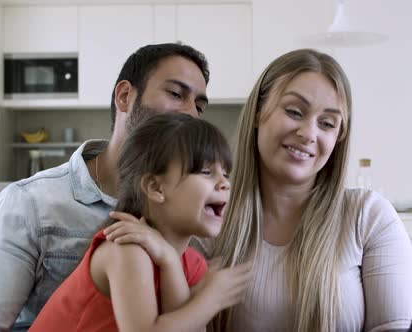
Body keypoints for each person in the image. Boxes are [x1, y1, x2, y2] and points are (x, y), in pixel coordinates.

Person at [0, 43, 211, 331]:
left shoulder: (196, 211)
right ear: (124, 96)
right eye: (175, 94)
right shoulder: (32, 202)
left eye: (199, 106)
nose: (191, 114)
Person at [196, 49, 412, 332]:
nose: (308, 133)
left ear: (338, 137)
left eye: (327, 123)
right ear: (257, 113)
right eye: (294, 111)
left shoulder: (369, 216)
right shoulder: (207, 219)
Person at [29, 113, 252, 331]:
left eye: (226, 173)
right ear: (156, 188)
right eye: (206, 171)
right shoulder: (126, 250)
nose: (225, 183)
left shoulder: (192, 264)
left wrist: (170, 262)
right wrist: (210, 300)